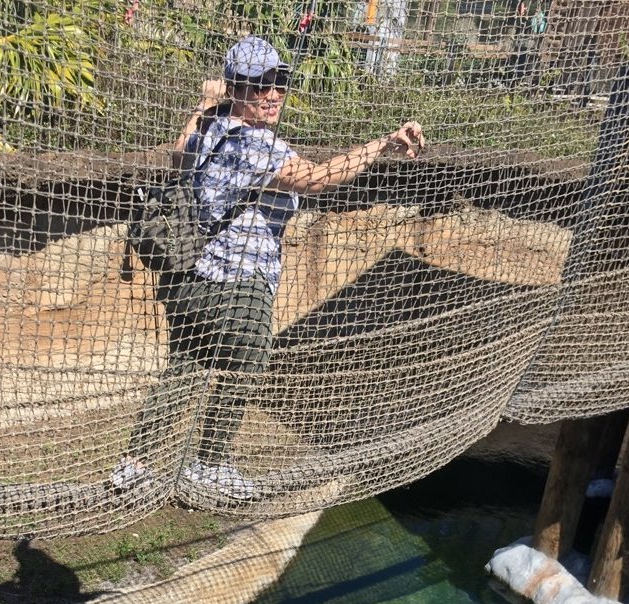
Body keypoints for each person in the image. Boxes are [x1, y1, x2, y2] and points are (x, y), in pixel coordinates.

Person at [112, 36, 424, 500]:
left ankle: (133, 464)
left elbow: (178, 156)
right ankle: (209, 463)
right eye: (258, 86)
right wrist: (382, 144)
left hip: (187, 277)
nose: (272, 94)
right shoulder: (255, 143)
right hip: (238, 281)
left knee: (189, 364)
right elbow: (319, 178)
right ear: (237, 88)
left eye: (279, 82)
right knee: (247, 365)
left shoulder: (208, 127)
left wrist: (205, 102)